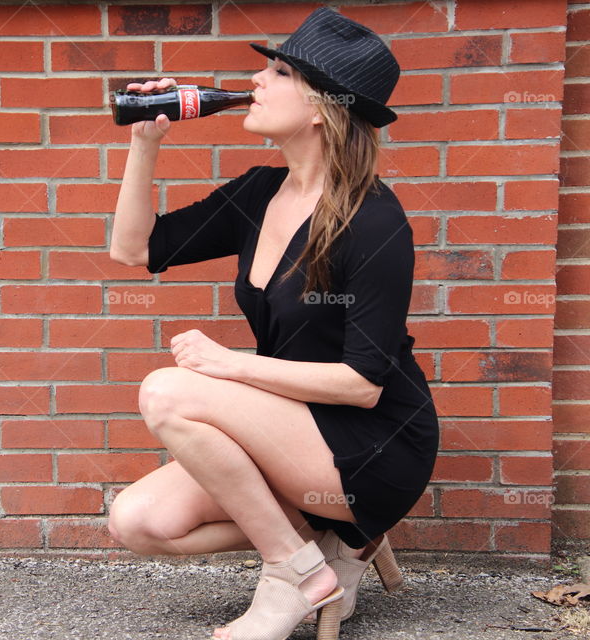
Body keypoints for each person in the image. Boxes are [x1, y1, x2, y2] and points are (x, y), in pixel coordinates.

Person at [107, 7, 439, 640]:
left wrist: (229, 366)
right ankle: (335, 539)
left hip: (374, 444)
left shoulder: (374, 222)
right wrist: (143, 143)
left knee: (168, 390)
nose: (256, 80)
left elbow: (363, 384)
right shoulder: (259, 193)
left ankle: (293, 571)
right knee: (138, 522)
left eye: (279, 70)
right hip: (295, 427)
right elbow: (135, 248)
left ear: (321, 108)